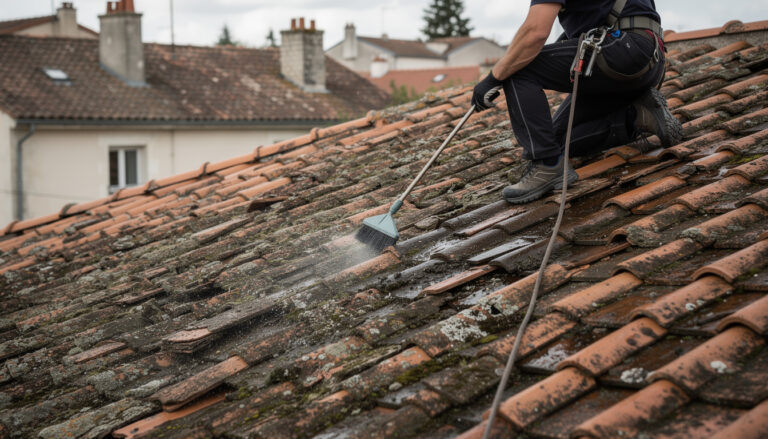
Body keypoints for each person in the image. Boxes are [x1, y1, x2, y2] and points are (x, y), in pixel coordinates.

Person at [472, 0, 681, 204]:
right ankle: (635, 117)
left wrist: (493, 78)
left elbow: (535, 32)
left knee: (518, 67)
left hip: (621, 51)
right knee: (556, 142)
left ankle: (547, 164)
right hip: (648, 60)